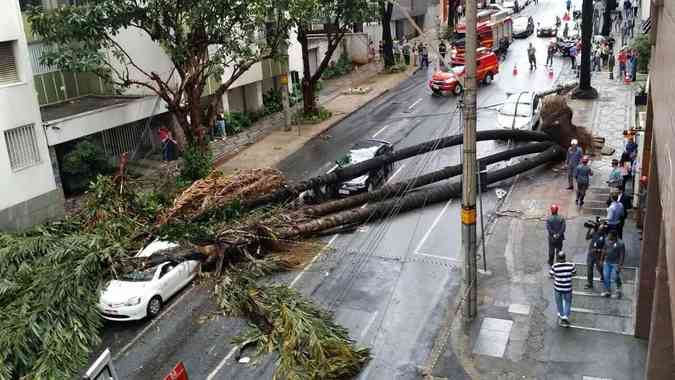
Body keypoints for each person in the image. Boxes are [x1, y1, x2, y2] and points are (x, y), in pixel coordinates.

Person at [550, 251, 576, 326]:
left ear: (558, 258)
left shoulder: (555, 266)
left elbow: (551, 274)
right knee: (568, 302)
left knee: (559, 302)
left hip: (558, 288)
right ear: (565, 257)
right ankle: (566, 316)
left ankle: (561, 315)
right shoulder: (571, 265)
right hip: (568, 288)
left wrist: (556, 277)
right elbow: (574, 273)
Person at [602, 230, 625, 298]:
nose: (608, 236)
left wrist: (620, 265)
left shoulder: (620, 243)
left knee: (615, 277)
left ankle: (618, 290)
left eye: (610, 235)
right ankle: (608, 291)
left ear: (614, 236)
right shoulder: (607, 240)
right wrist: (601, 259)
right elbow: (604, 249)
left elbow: (622, 255)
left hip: (615, 263)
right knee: (606, 276)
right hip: (607, 262)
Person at [585, 221, 606, 289]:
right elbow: (587, 237)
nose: (600, 229)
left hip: (598, 255)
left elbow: (605, 248)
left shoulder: (605, 237)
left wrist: (598, 250)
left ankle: (603, 276)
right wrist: (589, 229)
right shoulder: (594, 232)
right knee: (589, 269)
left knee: (599, 268)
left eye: (601, 228)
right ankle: (590, 283)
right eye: (599, 227)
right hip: (591, 254)